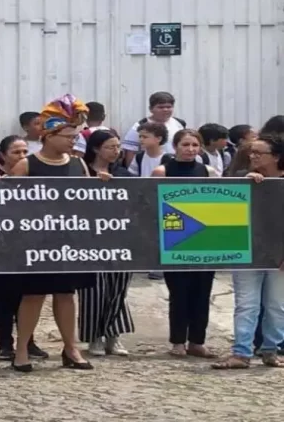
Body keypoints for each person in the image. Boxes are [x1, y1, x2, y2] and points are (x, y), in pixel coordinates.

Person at [9, 95, 96, 373]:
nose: (73, 141)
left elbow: (87, 200)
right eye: (68, 135)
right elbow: (8, 205)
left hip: (69, 240)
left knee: (66, 294)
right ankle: (21, 349)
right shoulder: (26, 165)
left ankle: (71, 348)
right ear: (49, 135)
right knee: (33, 295)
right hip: (36, 241)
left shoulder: (78, 165)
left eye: (75, 135)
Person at [212, 133, 284, 369]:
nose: (252, 156)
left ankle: (271, 349)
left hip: (278, 256)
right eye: (250, 152)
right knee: (247, 304)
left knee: (276, 305)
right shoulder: (242, 179)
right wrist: (244, 182)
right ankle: (241, 352)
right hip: (246, 251)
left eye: (258, 153)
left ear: (275, 157)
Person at [152, 129, 220, 359]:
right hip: (174, 239)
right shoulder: (162, 171)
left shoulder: (209, 172)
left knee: (203, 293)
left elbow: (220, 202)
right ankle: (178, 341)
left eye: (194, 145)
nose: (190, 149)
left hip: (205, 240)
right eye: (185, 145)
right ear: (175, 146)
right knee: (179, 292)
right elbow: (150, 204)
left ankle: (197, 341)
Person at [0, 136, 48, 361]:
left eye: (24, 152)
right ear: (2, 155)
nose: (22, 157)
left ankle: (28, 341)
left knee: (28, 296)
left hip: (30, 246)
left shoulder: (33, 177)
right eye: (16, 152)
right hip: (0, 247)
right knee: (4, 297)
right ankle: (5, 344)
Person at [78, 130, 134, 356]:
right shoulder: (81, 170)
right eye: (110, 147)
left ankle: (113, 334)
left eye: (118, 146)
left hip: (119, 236)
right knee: (93, 288)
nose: (116, 151)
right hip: (89, 237)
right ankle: (94, 337)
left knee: (118, 288)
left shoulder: (123, 173)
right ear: (95, 149)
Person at [121, 91, 185, 165]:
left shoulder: (179, 124)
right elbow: (131, 151)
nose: (165, 110)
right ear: (151, 109)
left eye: (168, 107)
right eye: (161, 107)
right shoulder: (140, 126)